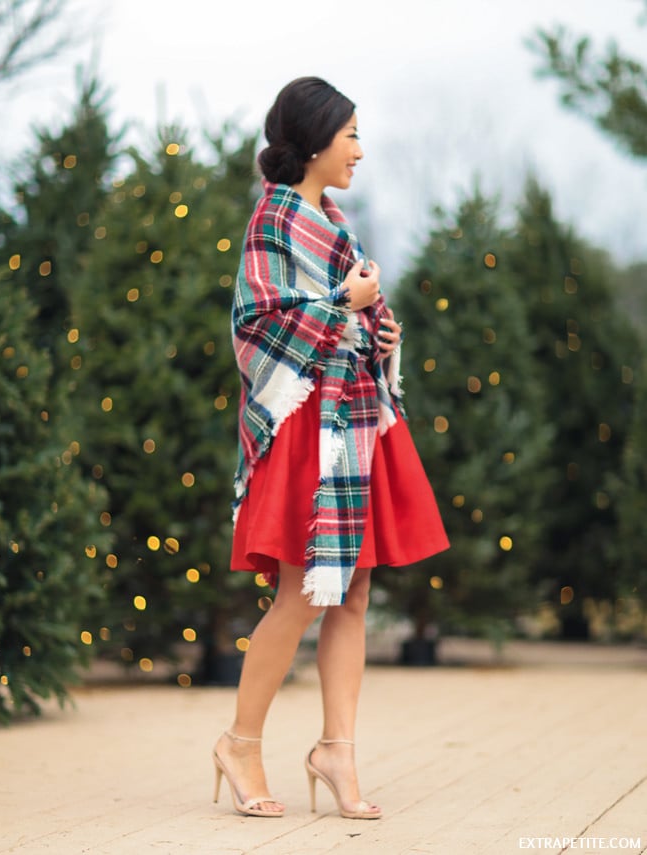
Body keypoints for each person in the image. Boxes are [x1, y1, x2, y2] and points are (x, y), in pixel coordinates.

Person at [212, 77, 449, 820]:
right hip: (305, 426)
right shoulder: (273, 219)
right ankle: (240, 743)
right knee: (299, 595)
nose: (359, 148)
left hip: (353, 418)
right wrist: (345, 305)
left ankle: (336, 750)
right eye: (348, 134)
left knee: (353, 592)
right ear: (313, 140)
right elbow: (257, 320)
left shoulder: (340, 227)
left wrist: (382, 334)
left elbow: (352, 320)